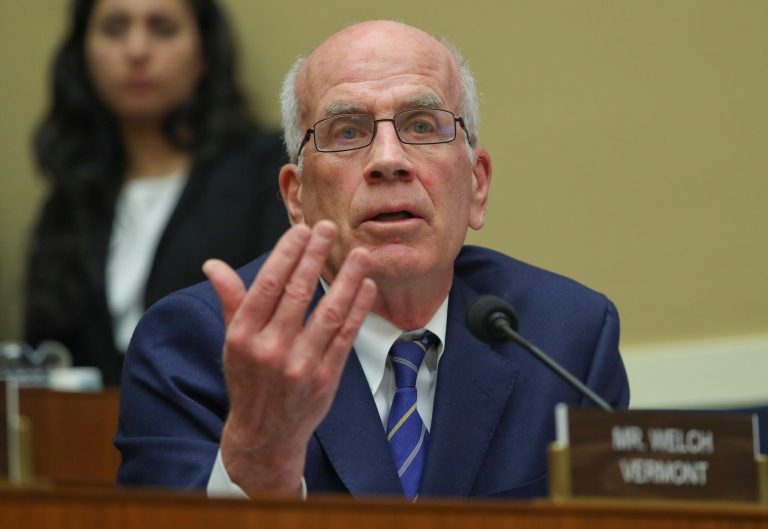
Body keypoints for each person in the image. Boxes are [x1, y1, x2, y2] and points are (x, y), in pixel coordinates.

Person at [116, 20, 629, 499]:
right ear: (296, 198)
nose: (388, 160)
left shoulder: (566, 339)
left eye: (424, 126)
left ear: (477, 185)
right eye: (347, 132)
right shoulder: (194, 348)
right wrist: (256, 465)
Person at [24, 0, 289, 385]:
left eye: (162, 28)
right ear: (83, 53)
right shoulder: (70, 198)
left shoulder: (265, 173)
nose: (136, 51)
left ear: (204, 53)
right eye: (114, 29)